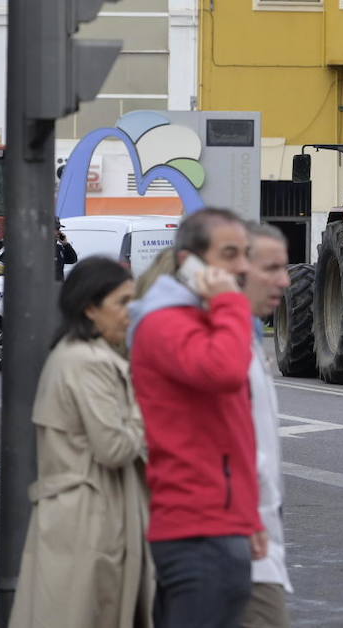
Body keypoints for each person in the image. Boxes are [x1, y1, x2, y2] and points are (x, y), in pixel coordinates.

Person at [127, 208, 266, 628]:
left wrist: (248, 516)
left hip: (220, 523)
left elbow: (230, 431)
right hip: (195, 531)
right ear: (191, 262)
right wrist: (230, 303)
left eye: (245, 254)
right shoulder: (165, 321)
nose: (242, 267)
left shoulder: (197, 318)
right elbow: (223, 373)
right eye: (229, 254)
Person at [11, 257, 155, 628]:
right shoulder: (88, 362)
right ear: (90, 307)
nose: (130, 313)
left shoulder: (80, 355)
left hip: (84, 514)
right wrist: (145, 405)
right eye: (122, 303)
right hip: (90, 520)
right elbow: (115, 448)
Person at [241, 224, 293, 628]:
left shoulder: (242, 337)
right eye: (272, 267)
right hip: (237, 544)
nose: (286, 280)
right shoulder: (219, 343)